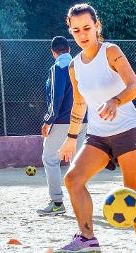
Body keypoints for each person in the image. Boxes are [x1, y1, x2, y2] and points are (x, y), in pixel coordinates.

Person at [55, 3, 136, 253]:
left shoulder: (111, 51)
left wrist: (115, 101)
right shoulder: (73, 66)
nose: (82, 34)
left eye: (87, 27)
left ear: (97, 26)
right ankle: (87, 238)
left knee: (134, 191)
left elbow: (135, 86)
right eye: (76, 30)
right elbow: (79, 103)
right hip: (97, 135)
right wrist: (70, 138)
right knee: (73, 179)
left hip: (127, 130)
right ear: (70, 31)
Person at [37, 36, 87, 216]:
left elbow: (55, 98)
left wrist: (47, 120)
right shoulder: (80, 65)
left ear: (53, 52)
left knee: (50, 158)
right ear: (69, 49)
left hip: (63, 121)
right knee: (77, 162)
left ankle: (57, 202)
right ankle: (80, 201)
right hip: (83, 120)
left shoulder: (57, 68)